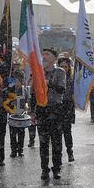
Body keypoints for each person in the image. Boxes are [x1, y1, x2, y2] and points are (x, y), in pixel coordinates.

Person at [35, 49, 67, 180]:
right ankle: (44, 169)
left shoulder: (60, 72)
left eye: (47, 55)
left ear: (54, 58)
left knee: (56, 141)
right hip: (42, 110)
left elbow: (62, 89)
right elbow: (33, 93)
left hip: (55, 109)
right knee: (43, 142)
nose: (44, 57)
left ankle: (57, 168)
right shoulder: (38, 72)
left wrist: (50, 83)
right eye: (43, 54)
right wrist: (32, 111)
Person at [57, 56, 76, 162]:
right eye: (61, 66)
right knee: (57, 132)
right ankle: (58, 155)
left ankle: (70, 152)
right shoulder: (54, 77)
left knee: (67, 131)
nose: (64, 68)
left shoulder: (72, 78)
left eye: (66, 66)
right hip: (57, 106)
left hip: (68, 106)